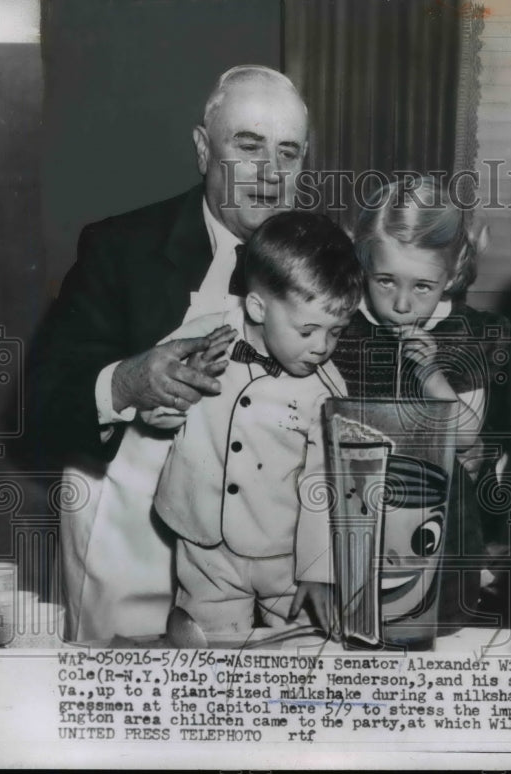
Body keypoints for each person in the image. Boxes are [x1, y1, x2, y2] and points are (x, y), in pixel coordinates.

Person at [25, 65, 311, 640]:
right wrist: (127, 383)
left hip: (260, 574)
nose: (269, 173)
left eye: (289, 153)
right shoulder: (119, 248)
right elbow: (38, 407)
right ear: (204, 150)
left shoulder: (320, 260)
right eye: (248, 145)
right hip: (131, 560)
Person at [149, 211, 362, 634]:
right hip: (205, 542)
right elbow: (154, 399)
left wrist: (320, 570)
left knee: (302, 649)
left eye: (336, 331)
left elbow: (329, 481)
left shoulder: (328, 392)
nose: (322, 347)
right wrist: (165, 407)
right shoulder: (203, 338)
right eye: (308, 330)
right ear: (258, 307)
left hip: (286, 555)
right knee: (209, 649)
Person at [332, 176, 511, 630]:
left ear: (450, 277)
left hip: (445, 517)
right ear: (363, 264)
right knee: (359, 626)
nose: (399, 303)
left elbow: (467, 435)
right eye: (385, 281)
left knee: (439, 628)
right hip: (358, 509)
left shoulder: (466, 335)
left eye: (422, 287)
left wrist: (433, 377)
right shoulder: (342, 328)